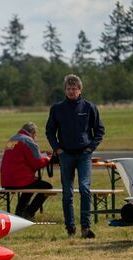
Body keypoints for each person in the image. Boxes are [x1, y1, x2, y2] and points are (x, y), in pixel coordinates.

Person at [46, 74, 105, 238]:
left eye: (74, 89)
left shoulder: (89, 107)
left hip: (84, 155)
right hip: (65, 155)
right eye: (69, 89)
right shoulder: (57, 108)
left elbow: (99, 130)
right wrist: (57, 149)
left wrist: (91, 148)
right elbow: (50, 131)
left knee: (85, 189)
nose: (71, 91)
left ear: (80, 90)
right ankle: (70, 228)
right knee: (67, 193)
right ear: (65, 90)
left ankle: (86, 228)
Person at [0, 122, 52, 220]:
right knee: (47, 187)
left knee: (31, 184)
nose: (35, 138)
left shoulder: (12, 139)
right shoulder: (28, 141)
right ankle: (29, 212)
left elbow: (20, 154)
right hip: (20, 180)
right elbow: (37, 163)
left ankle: (19, 212)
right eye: (35, 135)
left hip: (6, 181)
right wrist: (48, 158)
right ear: (32, 132)